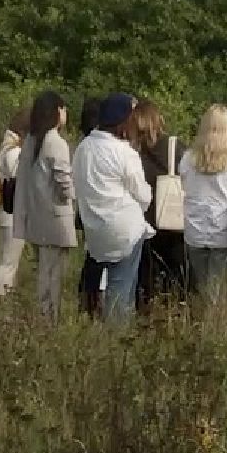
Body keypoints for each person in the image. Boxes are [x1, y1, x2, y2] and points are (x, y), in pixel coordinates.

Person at [71, 93, 151, 323]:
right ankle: (117, 341)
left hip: (95, 230)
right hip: (125, 230)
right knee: (121, 288)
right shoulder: (124, 152)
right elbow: (143, 195)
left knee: (107, 284)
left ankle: (108, 334)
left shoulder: (83, 148)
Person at [176, 105, 227, 304]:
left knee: (203, 286)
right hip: (223, 233)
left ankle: (206, 325)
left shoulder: (187, 159)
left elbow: (182, 185)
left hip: (194, 232)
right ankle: (218, 327)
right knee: (219, 291)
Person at [11, 90, 76, 319]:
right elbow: (64, 182)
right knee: (54, 274)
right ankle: (49, 318)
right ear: (57, 111)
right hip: (56, 218)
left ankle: (44, 315)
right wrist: (76, 196)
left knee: (44, 271)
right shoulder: (55, 142)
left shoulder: (31, 140)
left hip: (36, 217)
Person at [129, 101, 188, 309]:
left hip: (145, 224)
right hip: (173, 222)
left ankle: (149, 323)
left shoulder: (132, 150)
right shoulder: (174, 146)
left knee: (147, 284)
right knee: (178, 282)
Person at [0, 107, 30, 297]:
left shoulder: (9, 148)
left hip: (10, 213)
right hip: (11, 214)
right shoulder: (13, 151)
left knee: (9, 260)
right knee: (8, 262)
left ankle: (4, 293)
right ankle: (1, 296)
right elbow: (18, 176)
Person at [75, 97, 106, 317]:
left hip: (87, 212)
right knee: (100, 260)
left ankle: (88, 301)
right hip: (103, 211)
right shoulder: (101, 147)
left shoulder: (82, 148)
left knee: (92, 256)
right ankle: (95, 302)